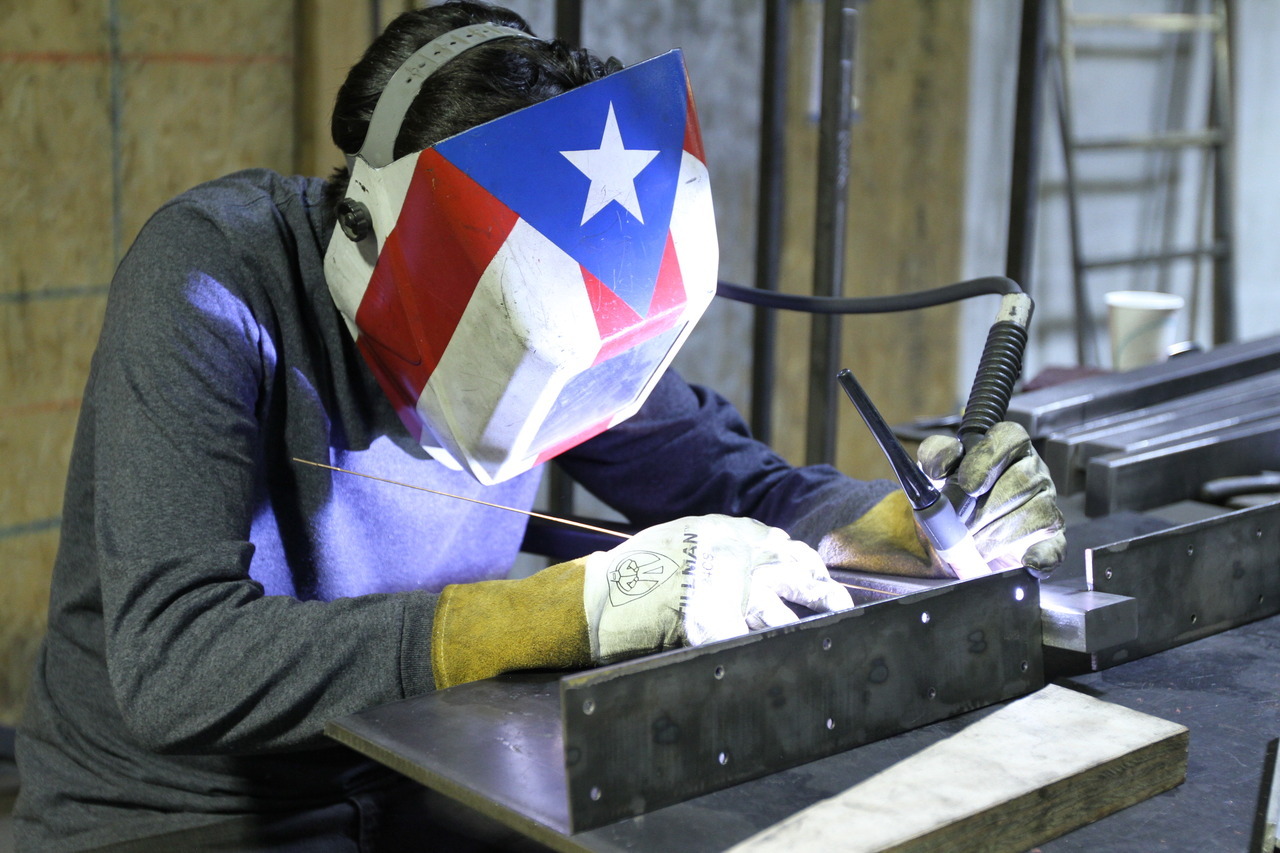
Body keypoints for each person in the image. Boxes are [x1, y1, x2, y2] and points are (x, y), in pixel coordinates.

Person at [13, 2, 1065, 849]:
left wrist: (881, 519)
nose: (548, 399)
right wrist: (554, 613)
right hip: (180, 815)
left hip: (418, 771)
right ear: (374, 250)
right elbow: (175, 665)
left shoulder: (557, 303)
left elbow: (731, 481)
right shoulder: (212, 278)